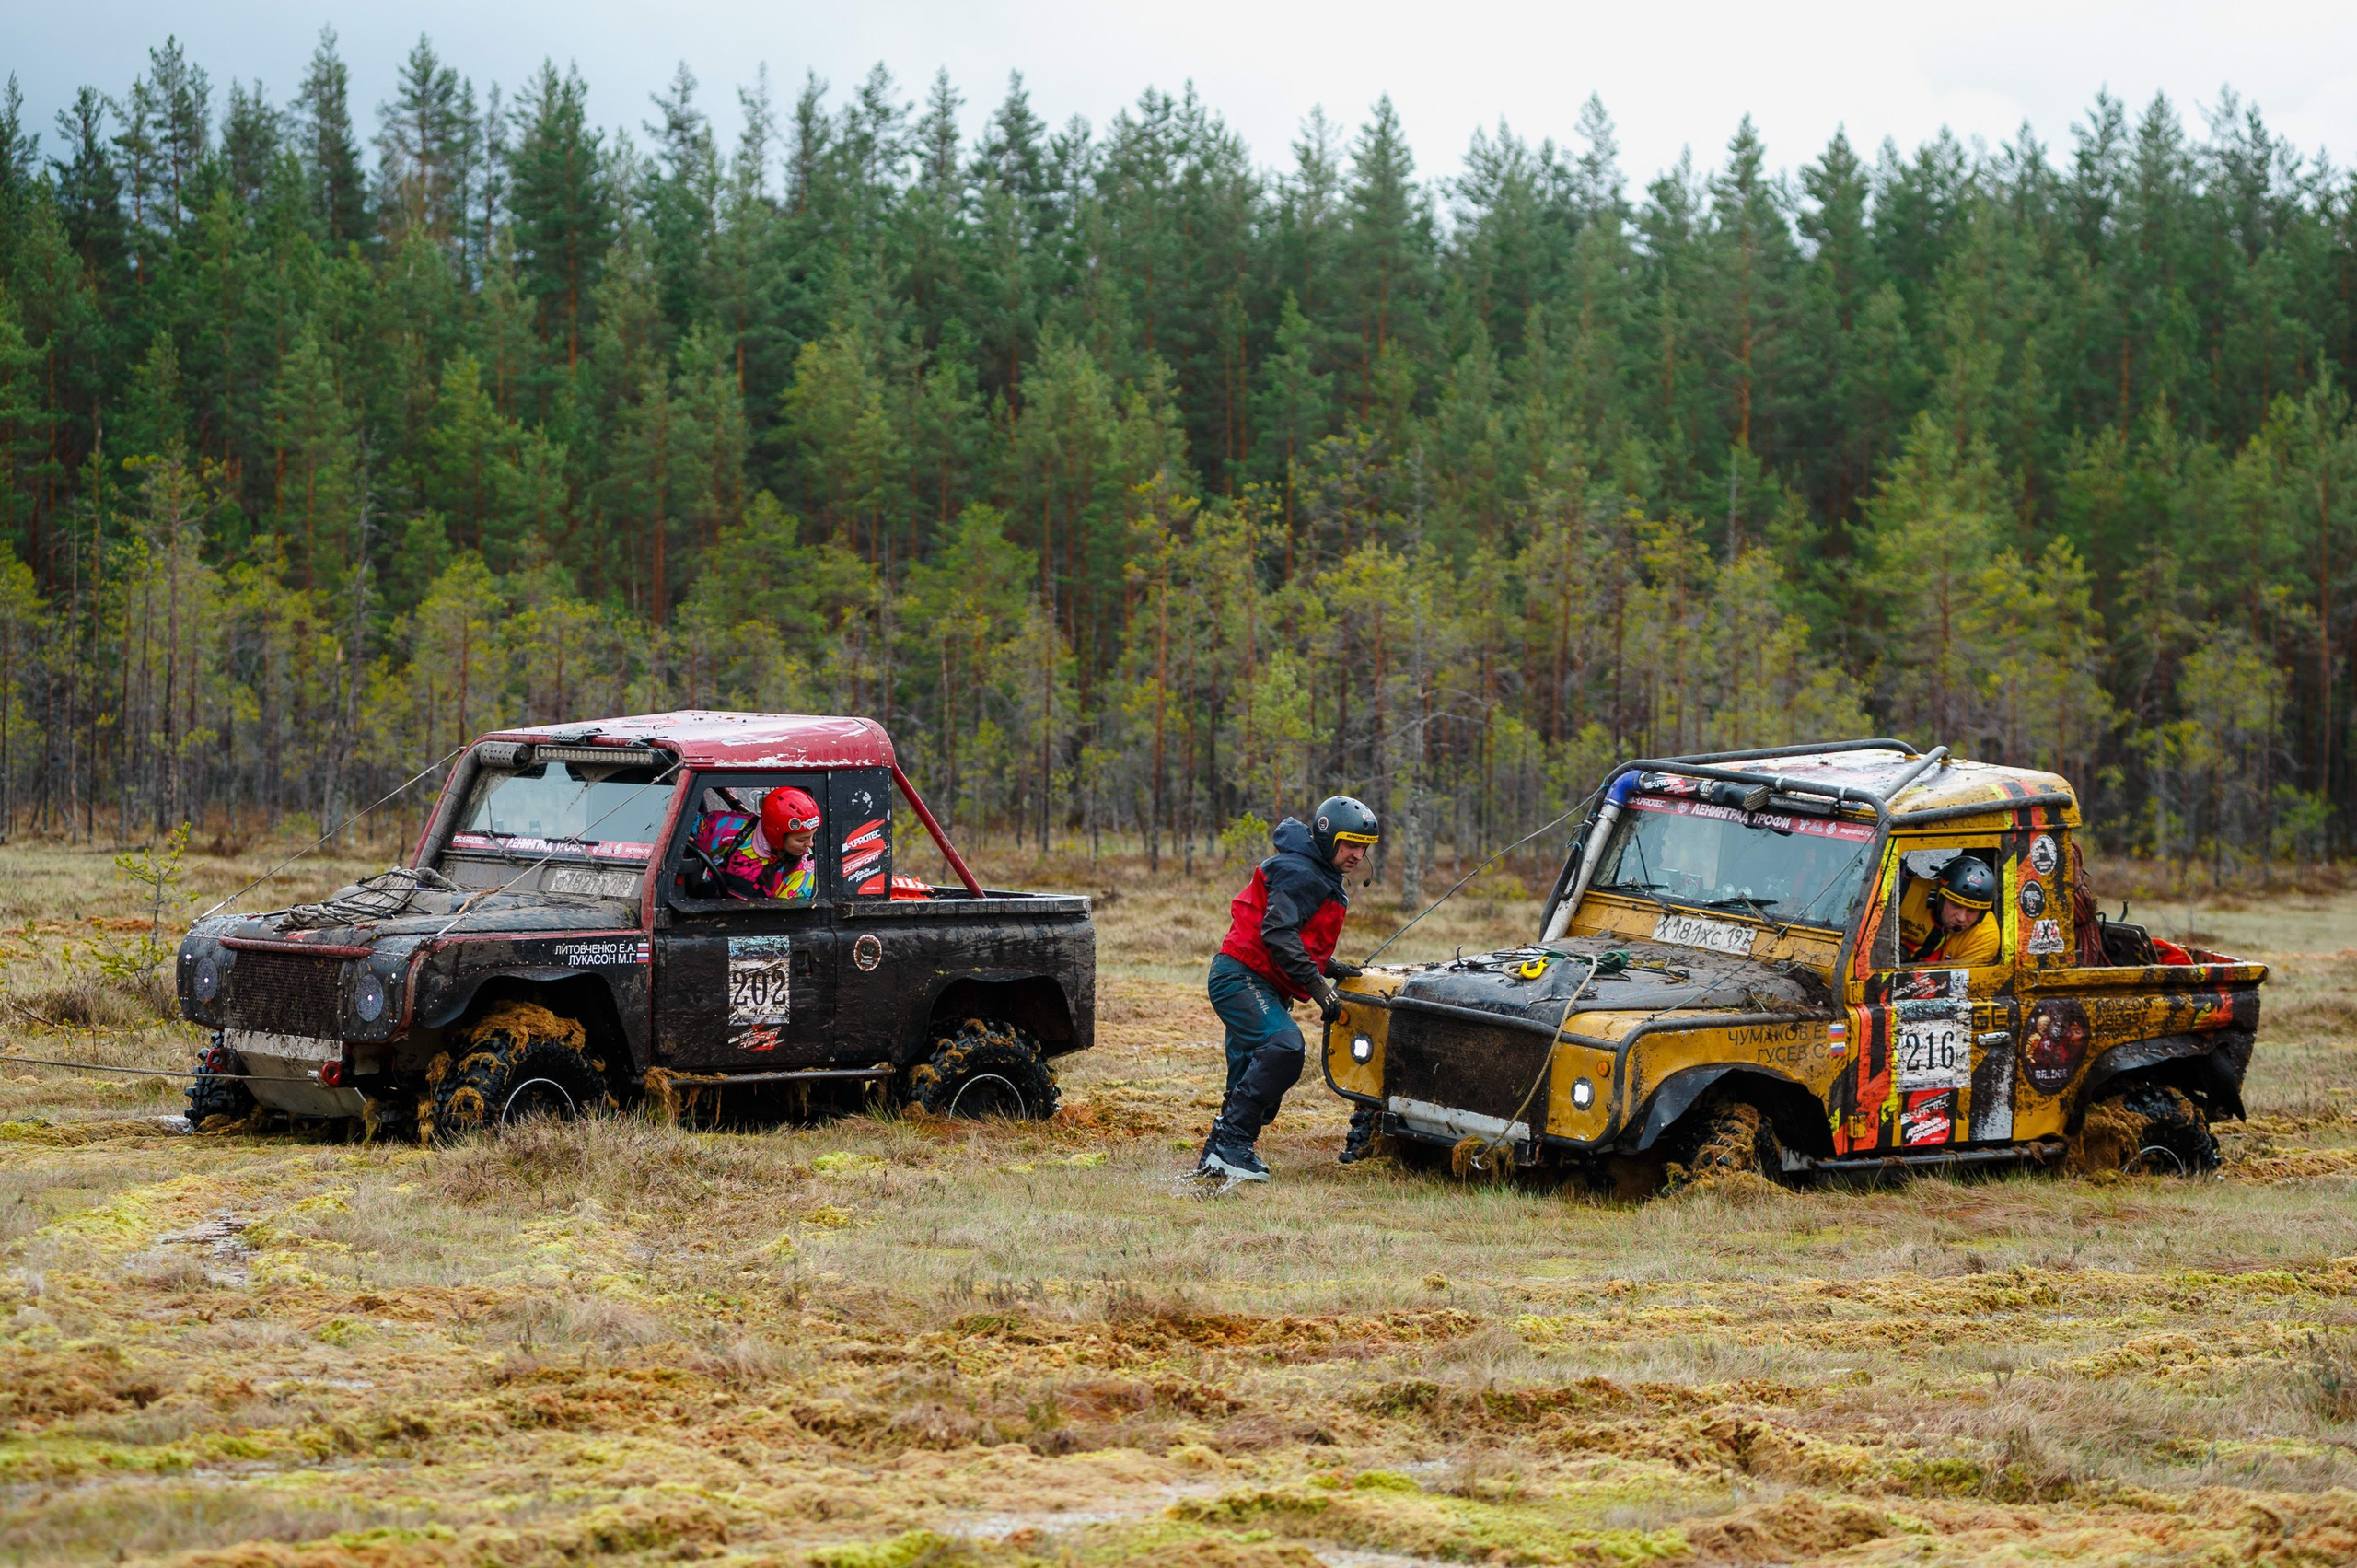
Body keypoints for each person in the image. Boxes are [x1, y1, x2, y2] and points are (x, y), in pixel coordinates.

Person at [1196, 796, 1380, 1184]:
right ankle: (1232, 1145)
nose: (1357, 854)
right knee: (1285, 1048)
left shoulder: (1316, 872)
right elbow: (1278, 933)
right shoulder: (1299, 870)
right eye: (1350, 844)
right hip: (1241, 978)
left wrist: (1331, 968)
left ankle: (1217, 1156)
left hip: (1261, 981)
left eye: (1363, 847)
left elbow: (1298, 936)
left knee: (1252, 1084)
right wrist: (1317, 986)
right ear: (1328, 837)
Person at [691, 785, 822, 902]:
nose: (810, 844)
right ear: (774, 834)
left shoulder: (804, 867)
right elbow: (683, 826)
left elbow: (786, 918)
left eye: (812, 836)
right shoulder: (727, 827)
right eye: (801, 840)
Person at [1898, 854, 2000, 966]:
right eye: (1956, 905)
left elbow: (1957, 976)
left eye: (1972, 910)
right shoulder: (1907, 894)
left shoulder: (1985, 937)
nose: (1961, 918)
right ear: (1939, 897)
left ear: (1982, 914)